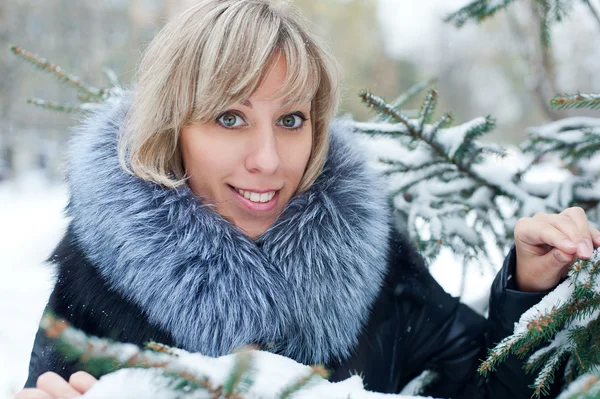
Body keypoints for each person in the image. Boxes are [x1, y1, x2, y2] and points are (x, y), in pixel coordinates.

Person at [16, 0, 600, 398]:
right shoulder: (98, 275)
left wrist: (530, 288)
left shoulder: (371, 262)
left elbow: (485, 386)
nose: (269, 160)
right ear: (173, 129)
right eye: (230, 117)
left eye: (291, 119)